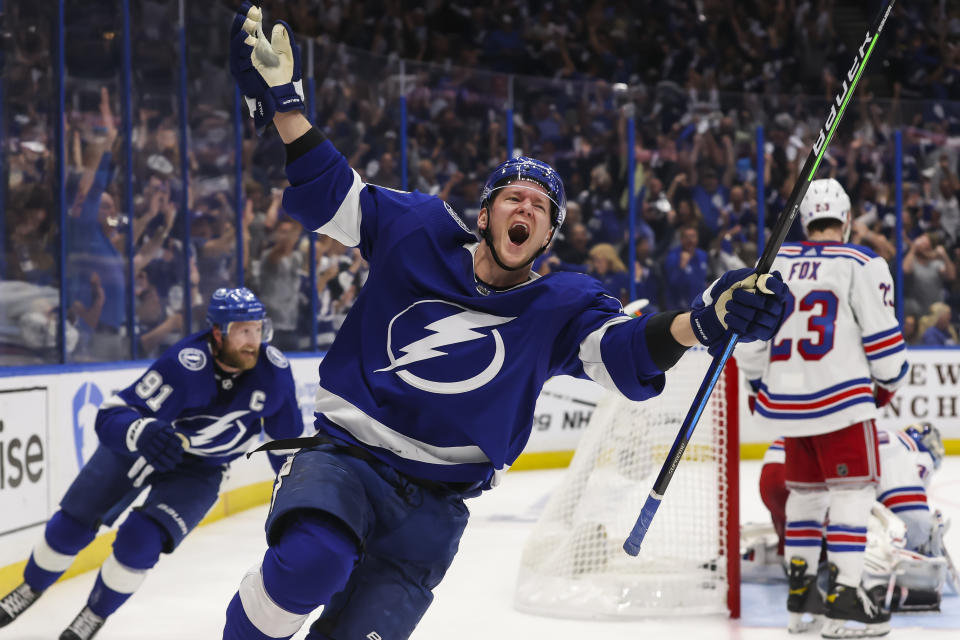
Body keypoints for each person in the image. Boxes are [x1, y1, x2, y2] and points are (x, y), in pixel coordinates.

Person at [223, 8, 789, 640]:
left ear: (549, 234)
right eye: (514, 197)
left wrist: (706, 321)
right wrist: (285, 105)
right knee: (311, 565)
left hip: (434, 506)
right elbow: (332, 192)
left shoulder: (560, 306)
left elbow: (627, 350)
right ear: (487, 212)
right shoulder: (419, 232)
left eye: (542, 207)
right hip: (347, 457)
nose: (527, 208)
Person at [0, 287, 304, 640]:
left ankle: (93, 614)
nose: (254, 341)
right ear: (218, 332)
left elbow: (287, 447)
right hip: (144, 449)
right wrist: (140, 433)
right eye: (243, 331)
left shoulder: (274, 373)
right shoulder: (184, 364)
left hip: (201, 470)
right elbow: (111, 415)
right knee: (71, 525)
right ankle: (30, 586)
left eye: (258, 329)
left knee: (140, 541)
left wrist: (295, 501)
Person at [737, 178, 909, 638]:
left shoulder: (774, 263)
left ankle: (801, 599)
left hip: (789, 406)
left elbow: (748, 343)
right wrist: (892, 378)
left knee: (806, 497)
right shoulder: (861, 261)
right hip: (843, 400)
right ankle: (847, 601)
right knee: (854, 492)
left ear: (805, 219)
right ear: (848, 220)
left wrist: (760, 386)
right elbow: (883, 344)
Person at [754, 423, 950, 611]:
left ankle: (800, 568)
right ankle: (848, 590)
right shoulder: (908, 451)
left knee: (811, 527)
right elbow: (913, 519)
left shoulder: (883, 437)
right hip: (807, 476)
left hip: (772, 474)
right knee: (862, 521)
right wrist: (920, 544)